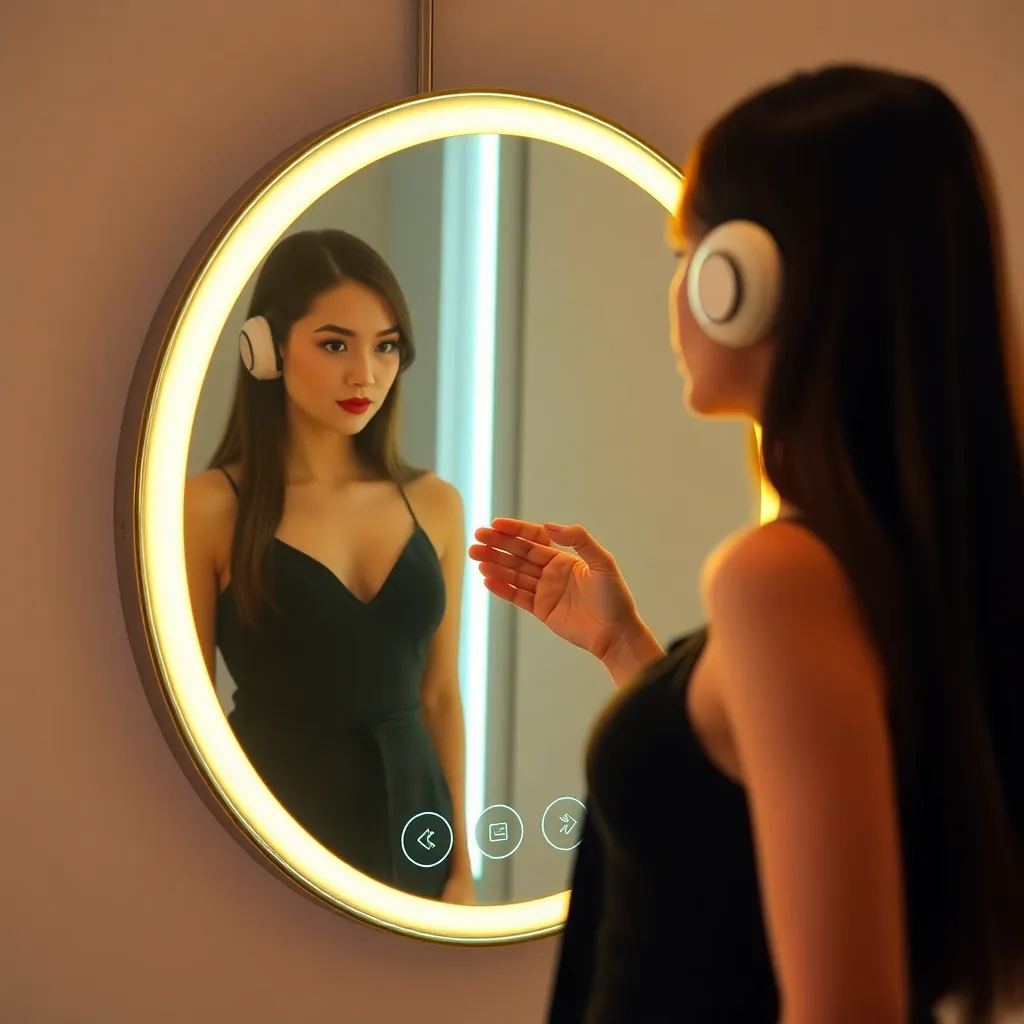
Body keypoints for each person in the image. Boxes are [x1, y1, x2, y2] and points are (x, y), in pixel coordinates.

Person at [469, 65, 1024, 1022]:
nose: (678, 286)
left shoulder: (781, 578)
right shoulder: (886, 565)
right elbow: (727, 843)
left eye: (691, 249)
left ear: (747, 283)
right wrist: (629, 654)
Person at [184, 228, 475, 904]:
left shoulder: (436, 504)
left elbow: (439, 696)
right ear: (266, 349)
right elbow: (184, 718)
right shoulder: (208, 507)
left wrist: (461, 869)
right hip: (272, 823)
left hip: (416, 822)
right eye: (336, 344)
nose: (365, 374)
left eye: (386, 347)